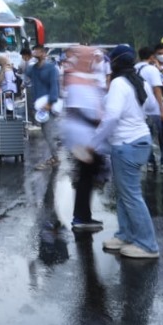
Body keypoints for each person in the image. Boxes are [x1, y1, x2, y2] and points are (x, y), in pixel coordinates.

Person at [93, 44, 160, 259]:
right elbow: (151, 108)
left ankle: (147, 244)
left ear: (114, 63)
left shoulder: (119, 84)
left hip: (127, 145)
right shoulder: (138, 81)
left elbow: (111, 117)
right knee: (125, 193)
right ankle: (125, 234)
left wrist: (94, 141)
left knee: (131, 196)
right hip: (138, 141)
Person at [63, 46, 107, 231]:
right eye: (89, 58)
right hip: (83, 137)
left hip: (88, 136)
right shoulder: (75, 79)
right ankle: (81, 218)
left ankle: (83, 216)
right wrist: (98, 122)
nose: (92, 61)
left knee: (86, 177)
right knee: (85, 177)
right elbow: (77, 109)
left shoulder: (85, 79)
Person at [134, 46, 163, 173]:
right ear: (152, 57)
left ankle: (150, 162)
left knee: (146, 136)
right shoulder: (151, 70)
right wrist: (162, 110)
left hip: (141, 109)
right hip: (153, 108)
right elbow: (157, 89)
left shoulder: (134, 69)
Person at [29, 45, 62, 169]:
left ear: (44, 53)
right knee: (45, 131)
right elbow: (25, 72)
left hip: (48, 104)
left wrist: (50, 102)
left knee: (48, 132)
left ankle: (55, 158)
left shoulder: (51, 68)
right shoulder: (34, 68)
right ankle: (54, 157)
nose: (35, 52)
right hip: (39, 105)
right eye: (34, 50)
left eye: (38, 51)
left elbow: (55, 86)